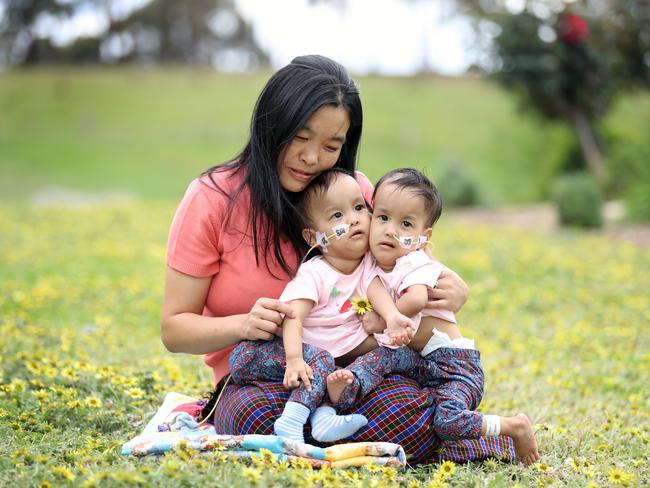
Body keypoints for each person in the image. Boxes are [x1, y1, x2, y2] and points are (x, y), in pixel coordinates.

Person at [160, 55, 510, 463]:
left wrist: (451, 289)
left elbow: (414, 268)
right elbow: (174, 329)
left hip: (356, 377)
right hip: (269, 379)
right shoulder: (212, 199)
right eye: (300, 137)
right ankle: (437, 440)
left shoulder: (354, 193)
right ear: (270, 124)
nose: (311, 158)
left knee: (403, 408)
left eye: (331, 145)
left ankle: (406, 431)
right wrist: (244, 325)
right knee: (251, 416)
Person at [328, 168, 540, 466]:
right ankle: (347, 387)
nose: (390, 230)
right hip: (419, 360)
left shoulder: (415, 261)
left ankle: (512, 427)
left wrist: (385, 319)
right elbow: (365, 288)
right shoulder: (374, 265)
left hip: (453, 364)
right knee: (383, 359)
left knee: (446, 422)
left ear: (422, 237)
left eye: (405, 224)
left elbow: (416, 299)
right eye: (383, 217)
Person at [228, 169, 417, 444]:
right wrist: (294, 359)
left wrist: (392, 317)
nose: (353, 219)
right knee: (322, 362)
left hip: (325, 363)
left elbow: (376, 288)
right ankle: (291, 421)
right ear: (314, 237)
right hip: (267, 355)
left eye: (359, 207)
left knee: (386, 359)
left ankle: (323, 416)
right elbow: (292, 317)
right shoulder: (315, 273)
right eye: (337, 216)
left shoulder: (369, 265)